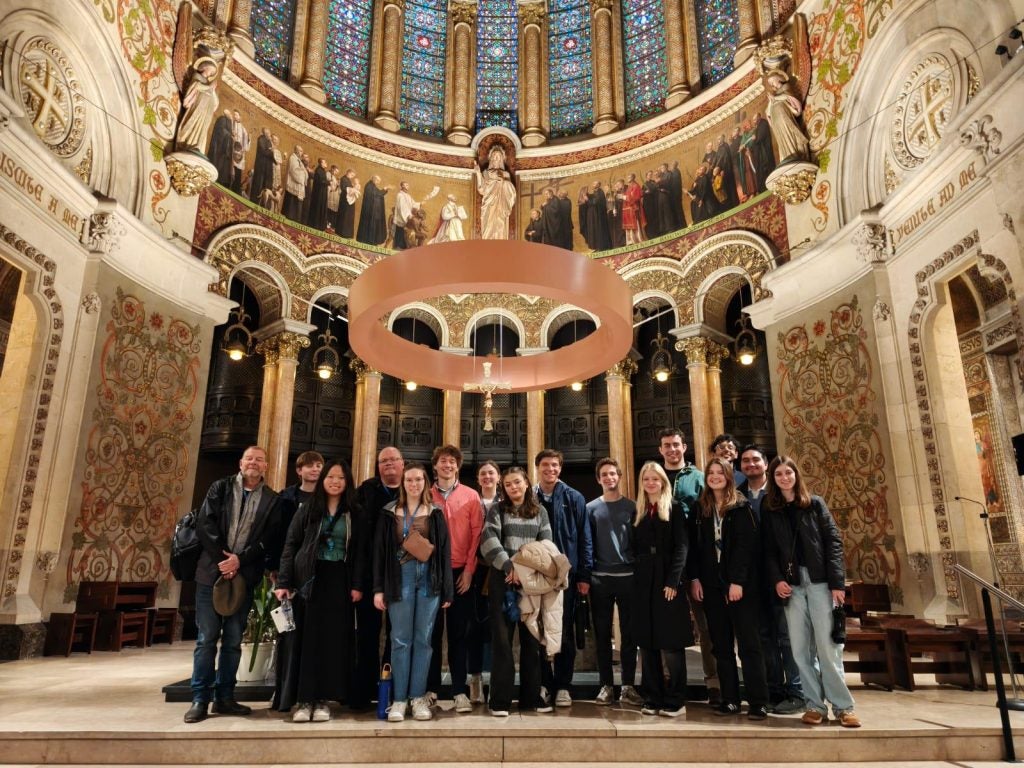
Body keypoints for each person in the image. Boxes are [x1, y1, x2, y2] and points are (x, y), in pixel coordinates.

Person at [185, 446, 282, 723]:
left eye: (259, 460)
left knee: (233, 641)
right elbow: (205, 524)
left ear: (265, 466)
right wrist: (223, 560)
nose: (253, 463)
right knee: (206, 640)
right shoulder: (220, 488)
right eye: (249, 458)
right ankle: (199, 699)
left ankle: (225, 697)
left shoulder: (272, 499)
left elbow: (268, 539)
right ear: (241, 463)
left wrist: (239, 561)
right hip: (211, 574)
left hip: (243, 576)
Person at [762, 455, 861, 728]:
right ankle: (814, 705)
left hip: (819, 582)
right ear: (773, 478)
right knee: (800, 650)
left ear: (796, 475)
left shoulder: (815, 504)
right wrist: (777, 580)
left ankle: (843, 707)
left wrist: (838, 583)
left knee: (828, 649)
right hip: (791, 586)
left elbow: (833, 542)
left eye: (788, 473)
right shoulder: (771, 510)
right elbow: (768, 552)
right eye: (779, 474)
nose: (784, 478)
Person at [272, 459, 361, 722]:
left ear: (348, 482)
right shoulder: (308, 508)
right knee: (306, 640)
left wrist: (357, 584)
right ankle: (304, 699)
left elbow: (359, 553)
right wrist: (284, 583)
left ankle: (323, 699)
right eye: (331, 477)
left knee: (331, 641)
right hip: (309, 579)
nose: (335, 482)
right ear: (323, 480)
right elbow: (291, 545)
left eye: (341, 478)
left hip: (339, 580)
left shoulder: (354, 511)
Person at [688, 457, 769, 720]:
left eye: (719, 473)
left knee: (749, 645)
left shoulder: (741, 506)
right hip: (711, 586)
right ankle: (730, 698)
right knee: (720, 646)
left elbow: (748, 549)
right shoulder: (700, 509)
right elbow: (695, 549)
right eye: (710, 473)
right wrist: (695, 579)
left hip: (739, 588)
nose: (714, 477)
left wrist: (737, 581)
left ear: (728, 476)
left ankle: (758, 701)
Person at [373, 462, 453, 722]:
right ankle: (399, 699)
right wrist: (378, 589)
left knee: (423, 640)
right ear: (403, 483)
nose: (414, 484)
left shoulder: (435, 512)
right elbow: (380, 555)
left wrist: (447, 591)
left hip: (429, 578)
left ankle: (418, 697)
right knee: (399, 640)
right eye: (409, 480)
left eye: (419, 479)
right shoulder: (389, 512)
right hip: (400, 578)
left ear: (425, 483)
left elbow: (444, 553)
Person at [479, 466, 554, 716]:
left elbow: (546, 546)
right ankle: (499, 701)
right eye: (508, 484)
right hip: (503, 580)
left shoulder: (540, 512)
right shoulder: (497, 510)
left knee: (531, 642)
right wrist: (510, 565)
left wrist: (524, 569)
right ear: (504, 487)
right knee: (502, 642)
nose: (513, 487)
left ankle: (531, 699)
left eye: (517, 482)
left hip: (531, 583)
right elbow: (489, 541)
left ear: (526, 483)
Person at [738, 444, 804, 715]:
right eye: (746, 461)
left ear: (766, 464)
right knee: (765, 636)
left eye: (756, 460)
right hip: (753, 579)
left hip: (781, 576)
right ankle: (773, 689)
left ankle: (797, 691)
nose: (751, 465)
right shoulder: (738, 495)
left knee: (788, 636)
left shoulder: (779, 495)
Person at [657, 427, 717, 702]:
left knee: (705, 626)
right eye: (667, 445)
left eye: (676, 444)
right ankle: (667, 681)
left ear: (684, 447)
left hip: (694, 560)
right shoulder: (655, 477)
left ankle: (713, 683)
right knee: (664, 624)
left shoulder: (698, 478)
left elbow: (706, 519)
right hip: (665, 563)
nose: (672, 449)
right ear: (660, 450)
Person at [427, 445, 484, 713]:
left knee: (459, 634)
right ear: (435, 466)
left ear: (458, 467)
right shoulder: (426, 494)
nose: (447, 465)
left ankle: (460, 690)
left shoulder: (471, 496)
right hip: (432, 572)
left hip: (461, 571)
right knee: (432, 633)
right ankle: (431, 689)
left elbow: (477, 535)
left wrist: (470, 570)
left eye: (452, 462)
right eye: (443, 461)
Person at [632, 461, 691, 717]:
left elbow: (682, 547)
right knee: (647, 641)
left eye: (655, 479)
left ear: (663, 482)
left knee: (671, 642)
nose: (650, 483)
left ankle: (676, 699)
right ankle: (652, 696)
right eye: (646, 479)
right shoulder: (640, 511)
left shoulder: (675, 508)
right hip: (644, 580)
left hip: (667, 578)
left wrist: (673, 580)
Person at [534, 449, 592, 707]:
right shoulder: (529, 497)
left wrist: (584, 575)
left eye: (555, 465)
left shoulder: (574, 497)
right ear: (537, 468)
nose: (550, 469)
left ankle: (563, 685)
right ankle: (544, 682)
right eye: (546, 465)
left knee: (564, 630)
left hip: (566, 576)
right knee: (539, 631)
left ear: (560, 468)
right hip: (536, 576)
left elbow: (584, 538)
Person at [351, 446, 405, 710]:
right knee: (367, 635)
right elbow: (358, 541)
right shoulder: (365, 491)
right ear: (378, 465)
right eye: (384, 461)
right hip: (371, 573)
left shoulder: (414, 487)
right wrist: (359, 583)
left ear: (403, 464)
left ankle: (392, 692)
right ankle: (362, 694)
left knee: (398, 636)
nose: (389, 464)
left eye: (394, 460)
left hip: (402, 574)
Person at [586, 458, 642, 707]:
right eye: (604, 475)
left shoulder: (632, 507)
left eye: (612, 474)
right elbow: (587, 544)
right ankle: (606, 685)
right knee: (602, 634)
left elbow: (637, 542)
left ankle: (628, 686)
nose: (609, 478)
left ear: (619, 476)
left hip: (628, 577)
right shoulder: (590, 509)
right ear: (598, 479)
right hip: (600, 578)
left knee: (629, 635)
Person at [467, 459, 501, 704]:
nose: (487, 477)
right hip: (475, 568)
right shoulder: (471, 501)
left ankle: (495, 679)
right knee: (473, 626)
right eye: (483, 474)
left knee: (497, 627)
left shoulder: (505, 502)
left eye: (491, 473)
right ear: (478, 479)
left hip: (500, 570)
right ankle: (475, 678)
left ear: (498, 477)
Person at [270, 451, 324, 575]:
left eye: (318, 465)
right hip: (289, 560)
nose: (315, 469)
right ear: (299, 471)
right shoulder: (285, 497)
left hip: (318, 561)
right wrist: (274, 565)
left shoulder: (329, 498)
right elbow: (276, 532)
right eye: (310, 466)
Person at [175, 56, 220, 154]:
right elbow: (195, 85)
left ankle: (197, 145)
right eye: (210, 70)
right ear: (204, 67)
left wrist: (212, 89)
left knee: (203, 127)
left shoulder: (209, 83)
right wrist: (209, 87)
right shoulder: (197, 76)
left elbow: (216, 102)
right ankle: (187, 142)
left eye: (212, 73)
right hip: (199, 104)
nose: (210, 73)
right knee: (194, 120)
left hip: (207, 109)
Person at [765, 72, 810, 164]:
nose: (772, 84)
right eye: (771, 83)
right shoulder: (775, 94)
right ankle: (786, 155)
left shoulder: (785, 87)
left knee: (788, 130)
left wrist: (775, 98)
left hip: (783, 114)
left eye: (773, 81)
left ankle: (795, 152)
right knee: (781, 136)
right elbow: (767, 112)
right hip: (776, 119)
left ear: (778, 79)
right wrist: (771, 100)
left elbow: (788, 97)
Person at [475, 145, 517, 240]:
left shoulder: (505, 174)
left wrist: (504, 182)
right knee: (488, 224)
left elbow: (512, 193)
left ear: (502, 159)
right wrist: (478, 173)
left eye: (498, 156)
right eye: (494, 156)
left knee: (500, 223)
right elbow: (482, 190)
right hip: (488, 204)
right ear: (491, 158)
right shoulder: (486, 173)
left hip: (500, 205)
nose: (496, 158)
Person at [356, 175, 390, 246]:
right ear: (374, 179)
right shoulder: (369, 186)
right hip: (369, 211)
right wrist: (384, 189)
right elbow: (376, 194)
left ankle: (371, 241)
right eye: (377, 181)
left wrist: (385, 189)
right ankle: (368, 241)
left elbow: (378, 193)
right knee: (368, 226)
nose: (378, 183)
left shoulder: (373, 186)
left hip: (372, 211)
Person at [208, 108, 234, 186]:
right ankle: (213, 176)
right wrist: (230, 135)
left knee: (223, 164)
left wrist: (231, 135)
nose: (231, 116)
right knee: (217, 161)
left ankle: (220, 179)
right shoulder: (222, 119)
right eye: (230, 114)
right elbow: (221, 130)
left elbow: (228, 131)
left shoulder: (229, 121)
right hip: (219, 146)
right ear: (226, 114)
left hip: (225, 147)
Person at [282, 145, 307, 222]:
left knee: (296, 203)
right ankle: (290, 218)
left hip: (298, 185)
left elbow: (304, 171)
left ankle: (294, 219)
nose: (301, 153)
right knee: (291, 203)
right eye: (300, 151)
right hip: (293, 184)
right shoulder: (293, 158)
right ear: (296, 150)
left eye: (302, 151)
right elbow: (294, 171)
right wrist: (302, 174)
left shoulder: (298, 160)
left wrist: (304, 173)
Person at [249, 127, 275, 203]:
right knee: (258, 183)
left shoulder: (269, 141)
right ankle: (254, 201)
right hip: (260, 166)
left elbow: (271, 153)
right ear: (264, 133)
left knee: (265, 185)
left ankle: (262, 203)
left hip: (267, 167)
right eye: (267, 133)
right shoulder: (261, 139)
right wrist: (270, 151)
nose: (268, 135)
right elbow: (263, 151)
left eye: (269, 133)